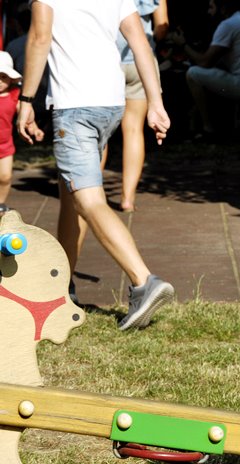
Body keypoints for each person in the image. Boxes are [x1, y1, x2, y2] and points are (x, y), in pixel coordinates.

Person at [18, 0, 175, 331]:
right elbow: (140, 41)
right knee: (71, 195)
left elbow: (39, 38)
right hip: (110, 104)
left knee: (89, 201)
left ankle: (144, 282)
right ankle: (60, 287)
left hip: (75, 105)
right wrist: (155, 102)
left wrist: (26, 100)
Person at [171, 0, 240, 140]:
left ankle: (208, 128)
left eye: (211, 7)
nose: (209, 12)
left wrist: (183, 44)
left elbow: (205, 62)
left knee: (193, 74)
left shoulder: (228, 25)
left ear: (223, 8)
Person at [112, 0, 170, 212]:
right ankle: (127, 199)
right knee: (134, 129)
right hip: (140, 62)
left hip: (107, 60)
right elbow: (162, 26)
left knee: (100, 133)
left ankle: (93, 196)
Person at [0, 52, 21, 215]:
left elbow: (26, 115)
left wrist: (33, 127)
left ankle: (0, 203)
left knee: (5, 177)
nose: (0, 81)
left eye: (3, 77)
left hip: (6, 145)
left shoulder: (14, 96)